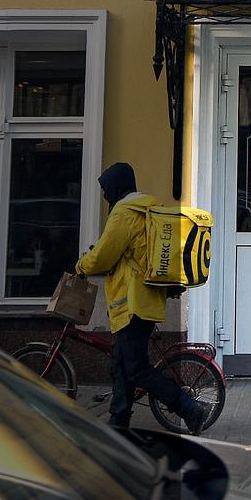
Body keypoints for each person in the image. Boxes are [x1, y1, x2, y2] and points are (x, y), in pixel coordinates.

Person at [75, 162, 213, 434]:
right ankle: (118, 423)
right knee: (121, 365)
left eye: (106, 190)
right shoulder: (147, 208)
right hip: (146, 302)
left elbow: (103, 255)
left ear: (116, 187)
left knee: (136, 368)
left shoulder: (124, 214)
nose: (105, 196)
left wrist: (81, 265)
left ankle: (190, 409)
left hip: (132, 305)